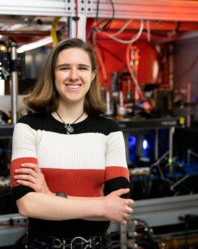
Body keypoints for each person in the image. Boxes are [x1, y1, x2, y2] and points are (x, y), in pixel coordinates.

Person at [10, 38, 134, 249]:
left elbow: (118, 207)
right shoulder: (27, 127)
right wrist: (101, 205)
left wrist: (50, 197)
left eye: (82, 68)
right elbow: (27, 204)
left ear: (93, 75)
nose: (73, 76)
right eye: (64, 68)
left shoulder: (110, 131)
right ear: (53, 74)